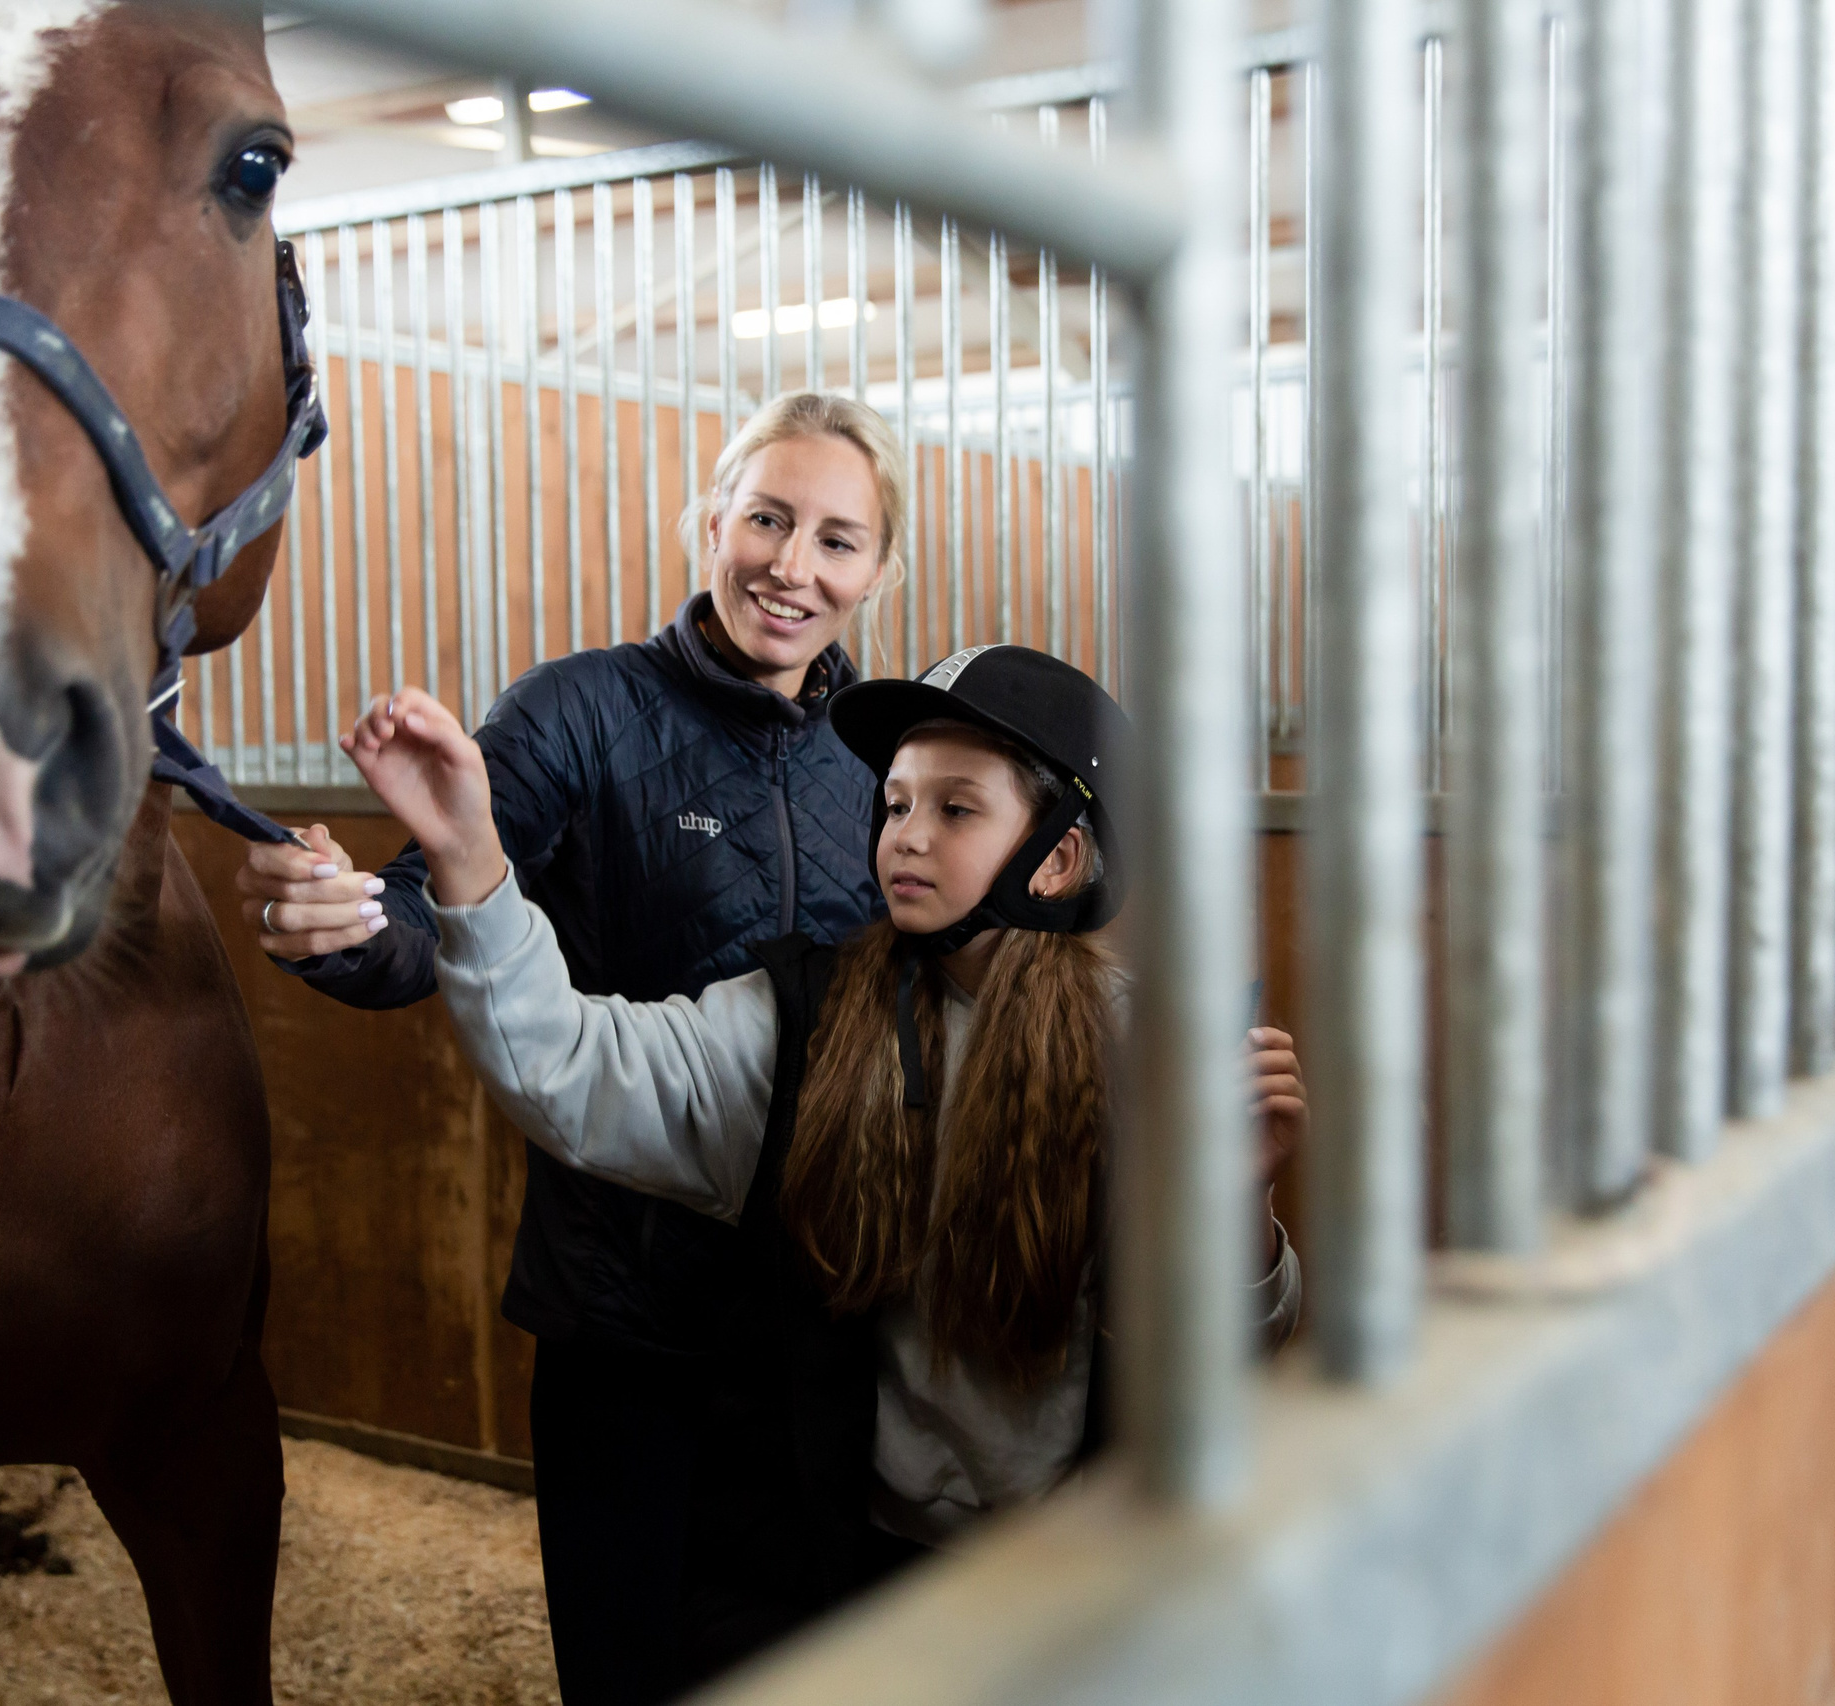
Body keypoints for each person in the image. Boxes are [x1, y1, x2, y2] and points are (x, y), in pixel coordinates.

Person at [338, 644, 1304, 1670]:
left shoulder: (1153, 1046)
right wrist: (469, 859)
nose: (904, 837)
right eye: (893, 804)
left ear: (1058, 856)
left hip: (1080, 1581)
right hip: (839, 1567)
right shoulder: (803, 1015)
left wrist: (1238, 1203)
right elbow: (570, 1066)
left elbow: (1237, 1350)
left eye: (956, 809)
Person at [235, 392, 906, 1705]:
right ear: (707, 522)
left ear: (877, 570)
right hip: (632, 1312)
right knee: (633, 1660)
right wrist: (344, 927)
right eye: (766, 517)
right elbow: (438, 903)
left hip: (829, 1300)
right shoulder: (580, 713)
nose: (792, 563)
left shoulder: (877, 754)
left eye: (838, 538)